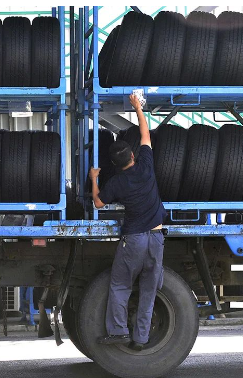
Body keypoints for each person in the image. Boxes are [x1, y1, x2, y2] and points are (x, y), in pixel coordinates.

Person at [89, 93, 166, 352]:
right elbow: (145, 133)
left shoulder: (116, 183)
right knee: (149, 289)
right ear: (133, 154)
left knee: (121, 284)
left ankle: (119, 331)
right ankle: (141, 339)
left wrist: (93, 179)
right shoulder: (146, 165)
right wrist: (137, 108)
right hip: (156, 238)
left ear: (113, 164)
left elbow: (98, 203)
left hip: (133, 240)